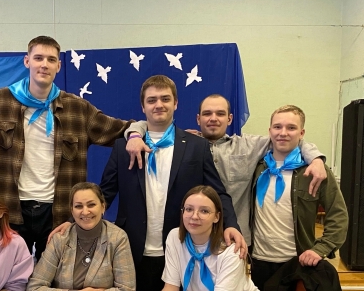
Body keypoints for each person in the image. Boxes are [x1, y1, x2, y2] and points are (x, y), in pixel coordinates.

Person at [0, 36, 148, 259]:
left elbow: (122, 129)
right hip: (11, 210)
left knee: (55, 278)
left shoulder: (78, 109)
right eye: (38, 58)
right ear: (27, 61)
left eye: (51, 59)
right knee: (10, 275)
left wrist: (136, 134)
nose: (44, 64)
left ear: (59, 66)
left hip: (58, 213)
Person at [100, 76, 245, 291]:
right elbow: (104, 195)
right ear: (143, 107)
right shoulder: (123, 147)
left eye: (165, 99)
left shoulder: (197, 146)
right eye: (152, 100)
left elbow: (217, 192)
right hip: (132, 250)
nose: (159, 105)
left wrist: (232, 225)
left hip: (181, 248)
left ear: (176, 103)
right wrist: (72, 223)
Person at [127, 93, 327, 244]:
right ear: (198, 119)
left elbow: (286, 139)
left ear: (230, 119)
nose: (213, 118)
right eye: (207, 114)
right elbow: (147, 124)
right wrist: (135, 133)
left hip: (235, 239)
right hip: (193, 239)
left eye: (220, 114)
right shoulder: (184, 146)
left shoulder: (249, 147)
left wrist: (316, 159)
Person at [134, 185, 280, 291]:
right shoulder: (175, 238)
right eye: (189, 209)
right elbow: (171, 289)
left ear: (217, 217)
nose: (194, 216)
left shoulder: (230, 250)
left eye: (204, 211)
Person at [250, 105, 348, 291]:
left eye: (291, 128)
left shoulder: (315, 172)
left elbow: (338, 215)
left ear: (302, 133)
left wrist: (320, 249)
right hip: (259, 262)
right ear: (270, 131)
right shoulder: (256, 168)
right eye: (277, 127)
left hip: (298, 263)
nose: (283, 133)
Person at [26, 182, 136, 291]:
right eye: (78, 206)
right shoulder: (59, 239)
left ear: (103, 207)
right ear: (72, 211)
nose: (85, 212)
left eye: (91, 205)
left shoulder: (118, 238)